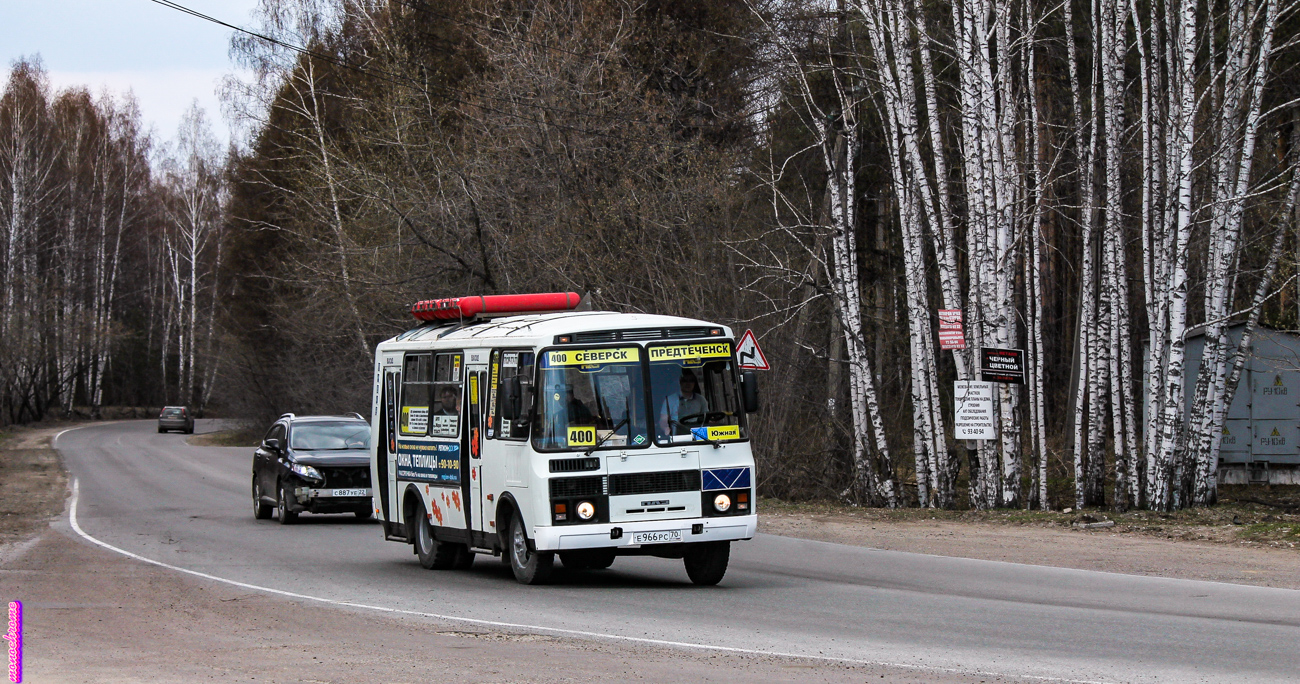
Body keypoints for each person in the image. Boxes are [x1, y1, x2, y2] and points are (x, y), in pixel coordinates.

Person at [658, 369, 709, 436]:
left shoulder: (701, 399)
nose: (688, 383)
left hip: (698, 434)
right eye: (685, 381)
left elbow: (706, 417)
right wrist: (666, 428)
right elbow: (663, 420)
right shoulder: (670, 400)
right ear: (680, 382)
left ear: (694, 383)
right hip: (676, 435)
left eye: (691, 381)